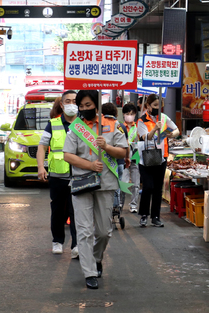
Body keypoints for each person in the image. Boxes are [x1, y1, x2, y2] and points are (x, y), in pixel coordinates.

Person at [63, 90, 128, 289]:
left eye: (88, 105)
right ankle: (89, 271)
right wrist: (89, 165)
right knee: (83, 231)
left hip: (106, 184)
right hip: (82, 182)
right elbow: (67, 155)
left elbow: (123, 152)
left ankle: (97, 258)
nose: (84, 109)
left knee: (103, 231)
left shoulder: (111, 124)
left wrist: (107, 147)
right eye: (81, 106)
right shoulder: (76, 127)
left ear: (97, 105)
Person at [37, 90, 78, 258]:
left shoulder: (84, 125)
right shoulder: (52, 124)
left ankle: (76, 244)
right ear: (62, 104)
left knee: (77, 211)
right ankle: (57, 241)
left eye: (74, 101)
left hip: (78, 174)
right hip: (57, 174)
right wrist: (41, 166)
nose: (71, 104)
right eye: (67, 101)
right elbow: (42, 146)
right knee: (57, 209)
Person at [137, 94, 180, 228]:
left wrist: (171, 134)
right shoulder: (141, 121)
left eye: (159, 105)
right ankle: (144, 214)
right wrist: (155, 128)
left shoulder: (164, 118)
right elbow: (145, 138)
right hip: (146, 158)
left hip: (162, 157)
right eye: (154, 105)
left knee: (157, 188)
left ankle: (155, 217)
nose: (157, 108)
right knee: (148, 186)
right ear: (148, 106)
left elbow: (177, 130)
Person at [102, 102, 127, 211]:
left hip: (104, 161)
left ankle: (107, 207)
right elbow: (126, 144)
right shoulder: (120, 125)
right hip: (119, 161)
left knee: (106, 186)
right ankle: (115, 207)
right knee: (117, 185)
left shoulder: (100, 125)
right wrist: (128, 158)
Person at [120, 103, 141, 213]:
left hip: (135, 156)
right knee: (123, 182)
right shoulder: (120, 127)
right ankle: (120, 204)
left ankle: (133, 205)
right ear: (123, 114)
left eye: (132, 114)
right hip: (123, 157)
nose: (130, 116)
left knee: (136, 183)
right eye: (128, 114)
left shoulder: (137, 127)